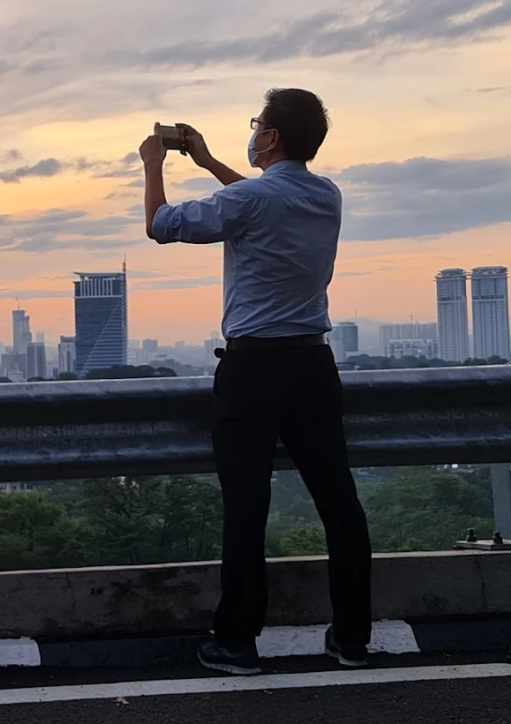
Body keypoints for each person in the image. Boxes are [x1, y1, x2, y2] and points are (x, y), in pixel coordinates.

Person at [139, 88, 372, 676]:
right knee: (339, 503)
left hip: (253, 370)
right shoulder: (326, 195)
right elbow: (254, 199)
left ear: (269, 137)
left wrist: (154, 164)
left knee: (247, 506)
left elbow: (161, 226)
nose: (254, 131)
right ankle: (352, 638)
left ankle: (239, 642)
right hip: (314, 368)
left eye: (258, 124)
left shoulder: (253, 198)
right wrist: (210, 160)